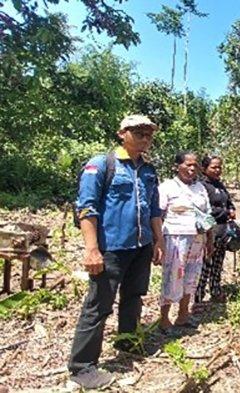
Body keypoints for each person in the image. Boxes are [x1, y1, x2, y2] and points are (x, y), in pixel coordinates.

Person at [69, 115, 163, 389]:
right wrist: (91, 249)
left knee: (134, 296)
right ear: (122, 133)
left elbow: (154, 208)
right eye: (139, 132)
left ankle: (128, 342)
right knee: (98, 306)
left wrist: (158, 241)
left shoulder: (148, 170)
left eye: (148, 133)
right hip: (111, 249)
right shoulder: (101, 164)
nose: (145, 137)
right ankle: (82, 367)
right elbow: (87, 208)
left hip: (141, 245)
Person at [157, 151, 213, 333]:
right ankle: (164, 320)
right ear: (177, 166)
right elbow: (158, 215)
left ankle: (183, 315)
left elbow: (208, 216)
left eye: (195, 165)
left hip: (198, 238)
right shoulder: (167, 187)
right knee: (172, 276)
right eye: (187, 165)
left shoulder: (200, 188)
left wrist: (209, 240)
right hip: (175, 237)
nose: (191, 168)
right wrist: (157, 242)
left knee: (191, 278)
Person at [195, 155, 235, 304]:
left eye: (219, 167)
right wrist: (223, 214)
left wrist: (231, 209)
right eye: (214, 167)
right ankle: (198, 296)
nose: (218, 170)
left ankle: (215, 290)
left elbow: (228, 202)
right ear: (204, 169)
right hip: (210, 231)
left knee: (218, 262)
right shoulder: (202, 187)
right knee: (205, 263)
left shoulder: (220, 185)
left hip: (223, 231)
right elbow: (205, 210)